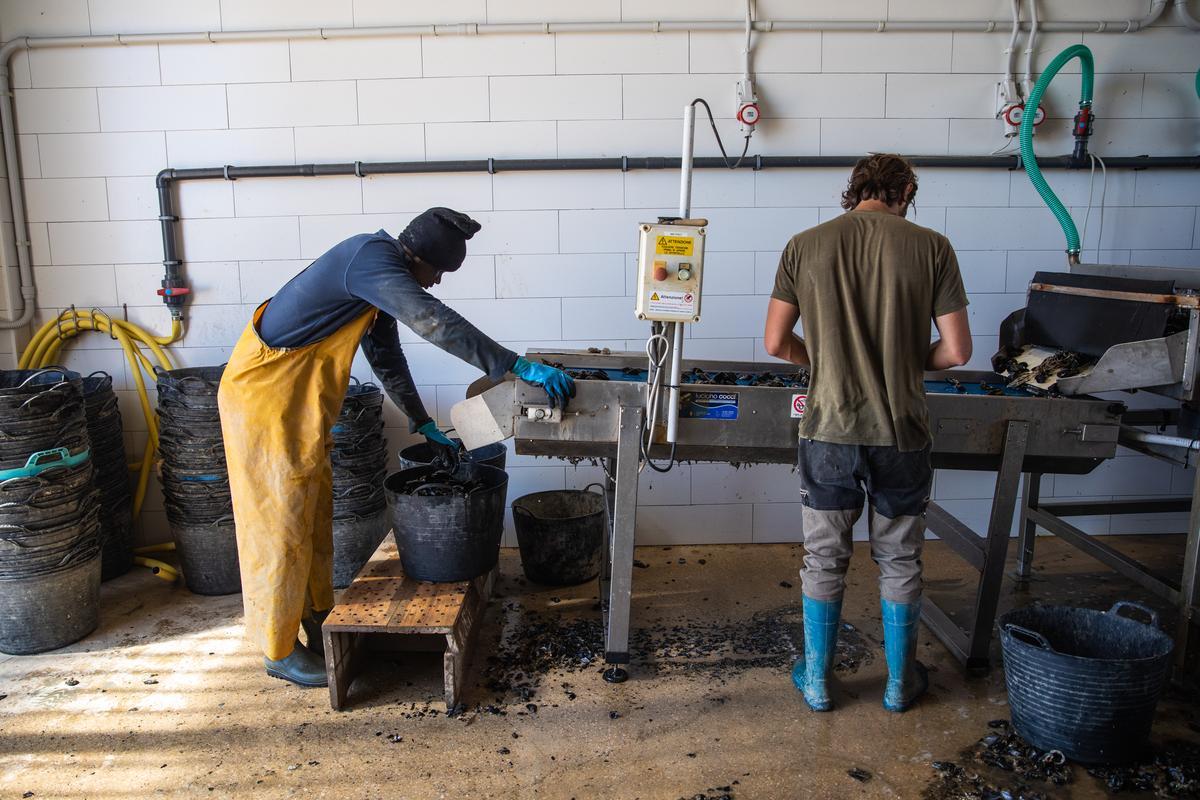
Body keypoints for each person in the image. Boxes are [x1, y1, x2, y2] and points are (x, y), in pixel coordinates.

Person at [218, 207, 575, 688]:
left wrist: (420, 419)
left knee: (310, 510)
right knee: (277, 521)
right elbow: (435, 323)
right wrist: (515, 366)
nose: (437, 283)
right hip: (264, 398)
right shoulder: (370, 259)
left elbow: (385, 355)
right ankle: (277, 651)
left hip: (295, 404)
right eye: (440, 272)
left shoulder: (375, 276)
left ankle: (314, 612)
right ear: (419, 257)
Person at [763, 154, 972, 713]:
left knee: (824, 557)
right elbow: (957, 351)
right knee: (901, 559)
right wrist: (903, 359)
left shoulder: (803, 245)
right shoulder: (933, 247)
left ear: (854, 191)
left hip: (829, 430)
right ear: (905, 190)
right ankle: (901, 684)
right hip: (902, 433)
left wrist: (828, 360)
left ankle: (817, 682)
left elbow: (777, 344)